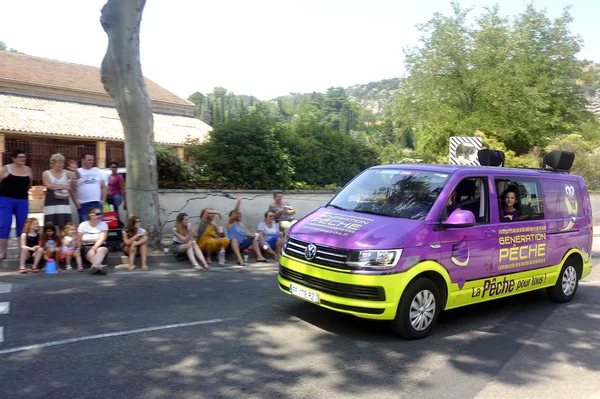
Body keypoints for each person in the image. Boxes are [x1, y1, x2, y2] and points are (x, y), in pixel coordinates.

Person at [0, 149, 32, 261]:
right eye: (20, 157)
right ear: (13, 158)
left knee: (22, 226)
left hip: (22, 200)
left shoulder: (28, 169)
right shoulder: (5, 169)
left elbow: (29, 184)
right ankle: (3, 252)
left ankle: (21, 251)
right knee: (4, 225)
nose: (23, 159)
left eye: (24, 157)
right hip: (6, 200)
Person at [42, 153, 80, 229]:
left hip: (63, 201)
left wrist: (75, 170)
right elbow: (49, 185)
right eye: (59, 163)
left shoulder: (65, 172)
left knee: (64, 224)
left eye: (62, 163)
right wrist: (64, 187)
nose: (61, 165)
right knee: (50, 224)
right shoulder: (46, 173)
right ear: (53, 163)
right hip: (52, 200)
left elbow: (77, 177)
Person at [226, 199, 267, 265]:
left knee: (253, 239)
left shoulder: (242, 225)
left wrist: (257, 235)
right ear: (232, 216)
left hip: (240, 246)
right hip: (230, 246)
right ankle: (240, 260)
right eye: (238, 214)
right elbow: (235, 212)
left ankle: (260, 257)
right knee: (234, 240)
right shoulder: (231, 223)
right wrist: (238, 202)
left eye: (240, 214)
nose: (240, 215)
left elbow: (249, 234)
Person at [74, 153, 107, 223]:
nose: (92, 161)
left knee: (99, 225)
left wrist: (103, 200)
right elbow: (72, 188)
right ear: (83, 161)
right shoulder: (77, 172)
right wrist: (76, 202)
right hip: (83, 204)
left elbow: (104, 187)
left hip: (96, 203)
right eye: (89, 160)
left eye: (92, 160)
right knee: (85, 226)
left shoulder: (97, 171)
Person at [76, 207, 109, 275]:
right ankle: (100, 266)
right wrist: (78, 249)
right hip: (86, 246)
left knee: (102, 249)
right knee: (90, 253)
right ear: (90, 215)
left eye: (100, 214)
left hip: (99, 245)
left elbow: (102, 238)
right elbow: (79, 239)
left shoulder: (103, 224)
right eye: (97, 214)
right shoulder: (83, 225)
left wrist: (93, 248)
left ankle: (94, 266)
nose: (99, 216)